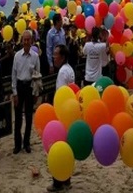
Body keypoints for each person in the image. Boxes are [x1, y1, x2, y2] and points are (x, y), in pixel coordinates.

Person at [47, 44, 75, 192]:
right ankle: (67, 179)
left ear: (62, 57)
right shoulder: (69, 69)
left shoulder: (63, 72)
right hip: (69, 113)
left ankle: (58, 182)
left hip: (62, 114)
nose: (53, 57)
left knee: (57, 146)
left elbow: (61, 95)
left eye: (56, 54)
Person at [11, 30, 40, 154]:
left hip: (29, 87)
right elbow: (13, 75)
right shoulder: (17, 56)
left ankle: (27, 143)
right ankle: (17, 144)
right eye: (24, 40)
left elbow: (37, 76)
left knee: (29, 117)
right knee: (18, 118)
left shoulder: (35, 56)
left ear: (31, 41)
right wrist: (14, 93)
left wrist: (36, 93)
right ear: (22, 41)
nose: (26, 42)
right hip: (19, 87)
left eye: (28, 40)